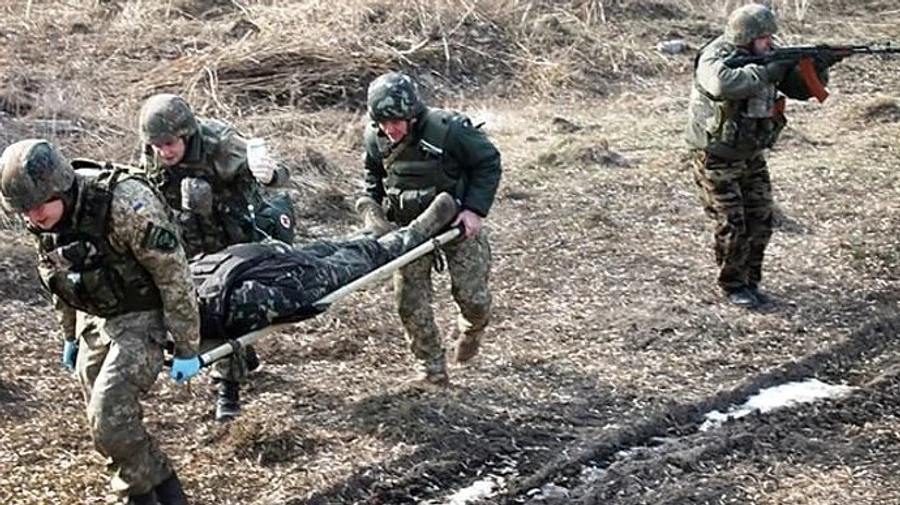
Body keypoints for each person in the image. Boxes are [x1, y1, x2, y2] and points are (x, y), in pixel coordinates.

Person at [0, 139, 201, 505]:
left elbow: (173, 272)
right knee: (105, 427)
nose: (33, 218)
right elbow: (58, 278)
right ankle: (167, 496)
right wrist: (69, 335)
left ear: (59, 186)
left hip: (145, 313)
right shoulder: (46, 220)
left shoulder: (124, 202)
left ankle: (136, 498)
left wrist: (187, 345)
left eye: (38, 206)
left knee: (109, 417)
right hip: (98, 318)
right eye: (24, 211)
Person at [137, 93, 292, 420]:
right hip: (189, 237)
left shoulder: (220, 144)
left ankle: (228, 388)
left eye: (171, 143)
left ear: (186, 134)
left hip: (231, 233)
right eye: (158, 145)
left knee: (222, 302)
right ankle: (240, 355)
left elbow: (278, 173)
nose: (165, 151)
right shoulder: (152, 153)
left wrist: (269, 173)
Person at [356, 71, 502, 385]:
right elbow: (372, 180)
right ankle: (431, 367)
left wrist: (475, 211)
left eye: (396, 122)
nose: (389, 129)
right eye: (382, 122)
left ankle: (472, 330)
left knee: (473, 298)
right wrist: (373, 212)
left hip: (457, 225)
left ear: (412, 114)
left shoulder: (448, 131)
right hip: (409, 232)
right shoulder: (376, 138)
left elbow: (488, 161)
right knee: (409, 303)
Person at [685, 4, 835, 308]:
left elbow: (800, 90)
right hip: (716, 156)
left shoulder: (767, 53)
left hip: (751, 154)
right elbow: (723, 84)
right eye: (764, 37)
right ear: (747, 36)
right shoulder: (716, 56)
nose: (770, 42)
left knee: (761, 219)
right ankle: (733, 285)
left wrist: (818, 66)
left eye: (771, 36)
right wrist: (769, 70)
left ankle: (751, 282)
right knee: (733, 222)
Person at [192, 192, 459, 344]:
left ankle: (393, 232)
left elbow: (284, 298)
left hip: (268, 273)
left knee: (349, 255)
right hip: (262, 265)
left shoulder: (193, 304)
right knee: (350, 253)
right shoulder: (182, 282)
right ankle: (395, 232)